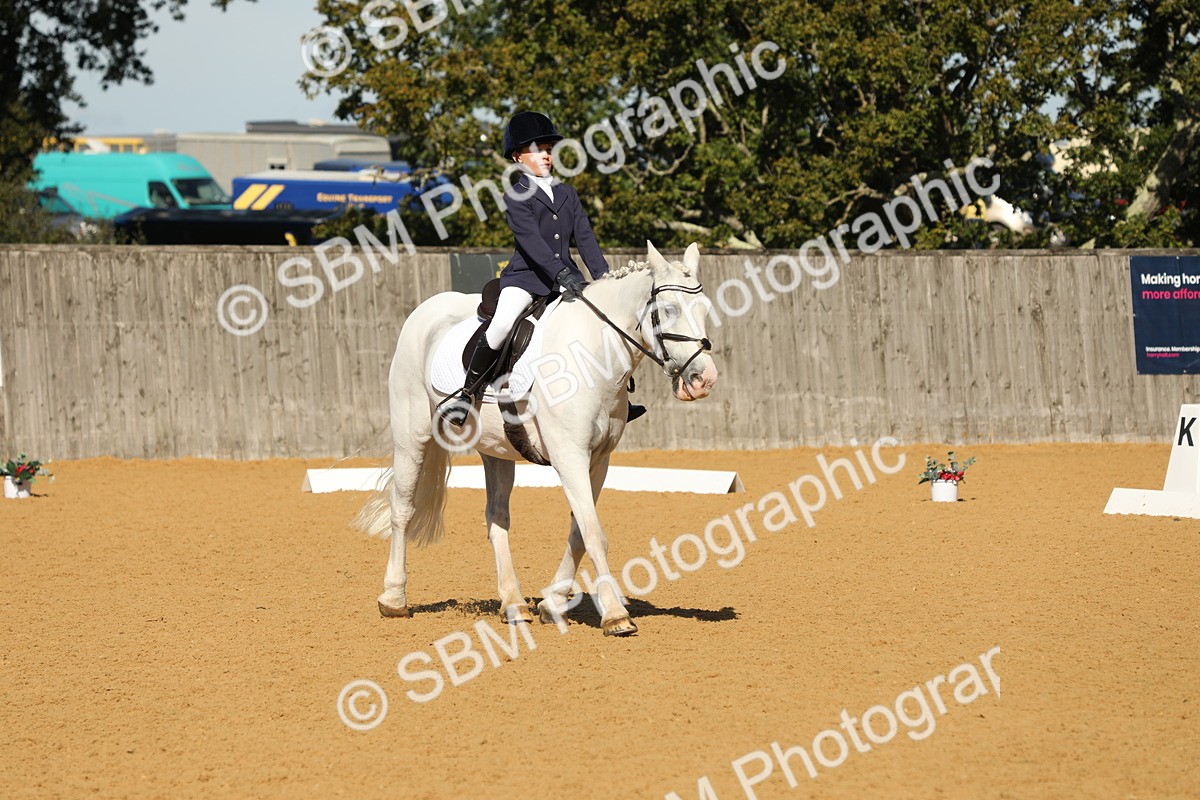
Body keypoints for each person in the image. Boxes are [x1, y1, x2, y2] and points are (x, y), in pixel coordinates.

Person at [440, 111, 645, 426]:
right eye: (537, 150)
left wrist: (604, 278)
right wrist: (560, 273)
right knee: (502, 324)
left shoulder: (567, 193)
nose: (546, 155)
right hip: (526, 279)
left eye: (548, 149)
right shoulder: (515, 195)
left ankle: (619, 400)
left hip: (567, 279)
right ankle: (467, 394)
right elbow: (532, 242)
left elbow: (585, 238)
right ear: (517, 156)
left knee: (601, 322)